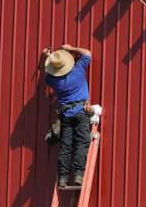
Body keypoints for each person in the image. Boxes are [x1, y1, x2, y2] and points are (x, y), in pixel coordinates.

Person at [42, 44, 92, 187]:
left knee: (66, 146)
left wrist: (48, 57)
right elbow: (87, 53)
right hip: (81, 112)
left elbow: (48, 72)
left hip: (66, 115)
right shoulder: (78, 70)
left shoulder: (53, 80)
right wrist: (72, 48)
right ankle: (78, 175)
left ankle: (63, 178)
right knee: (81, 143)